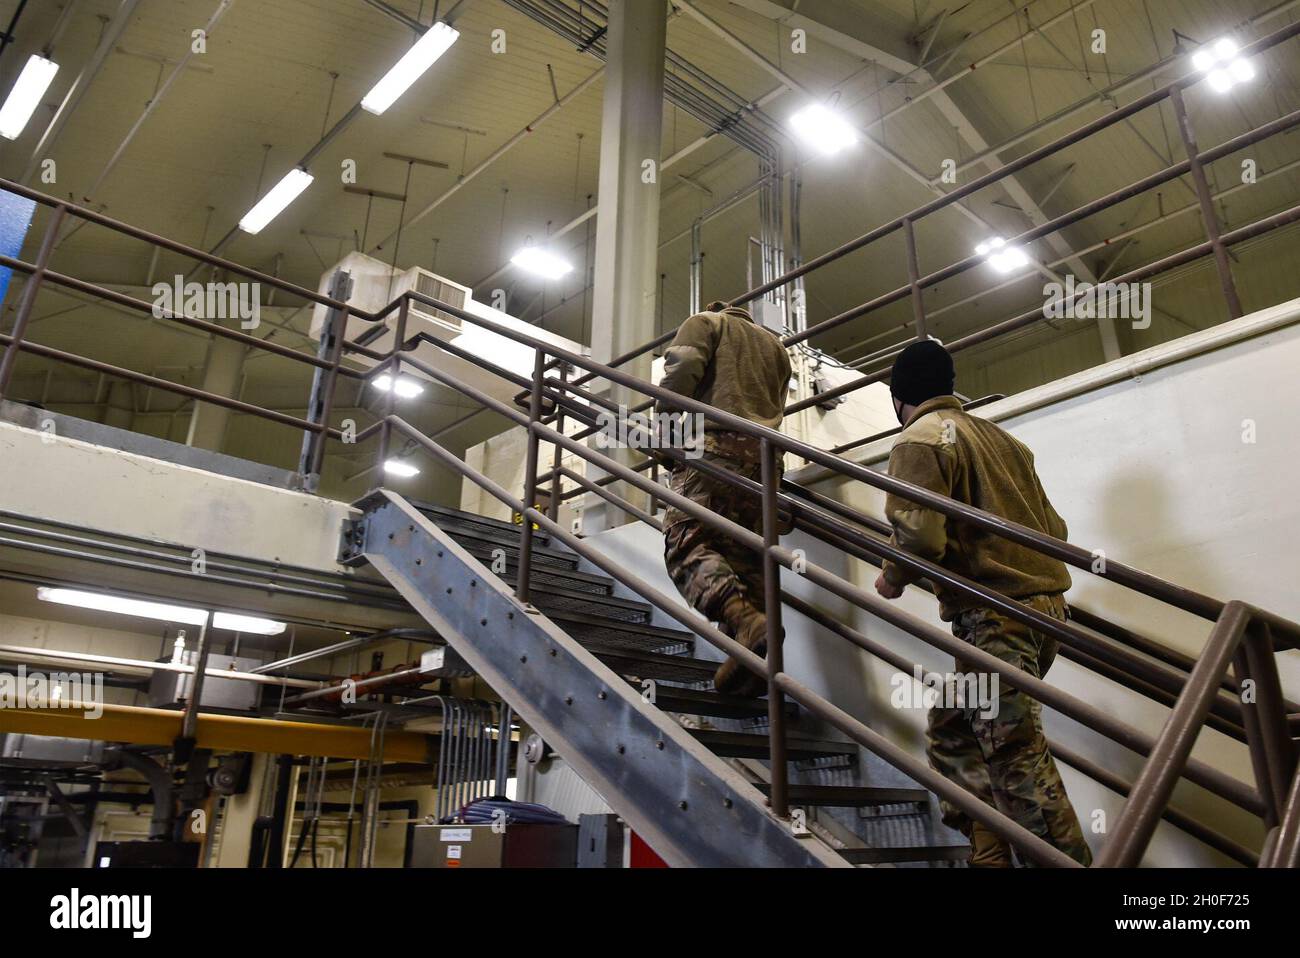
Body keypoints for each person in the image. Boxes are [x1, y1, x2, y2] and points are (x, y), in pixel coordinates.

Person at [872, 338, 1092, 868]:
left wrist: (892, 577)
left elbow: (920, 536)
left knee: (1016, 757)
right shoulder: (1004, 441)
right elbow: (1054, 529)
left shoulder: (919, 439)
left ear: (900, 397)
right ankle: (989, 848)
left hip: (995, 618)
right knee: (955, 730)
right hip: (1045, 614)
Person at [656, 301, 791, 698]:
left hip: (713, 450)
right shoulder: (776, 347)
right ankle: (747, 660)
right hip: (766, 465)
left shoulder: (705, 322)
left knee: (686, 544)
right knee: (745, 560)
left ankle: (746, 624)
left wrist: (665, 431)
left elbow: (680, 369)